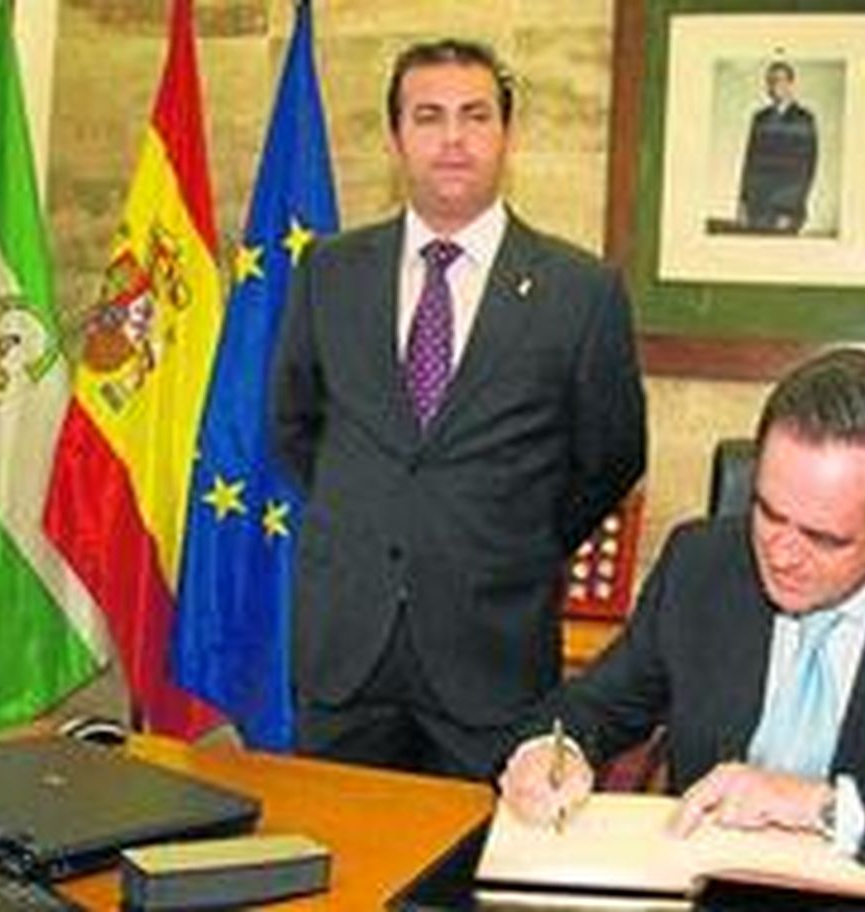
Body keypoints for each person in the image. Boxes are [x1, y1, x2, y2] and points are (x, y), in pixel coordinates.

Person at [499, 349, 865, 879]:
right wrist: (552, 752)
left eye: (823, 538)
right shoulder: (701, 563)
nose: (781, 554)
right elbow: (594, 706)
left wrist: (821, 806)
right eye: (768, 512)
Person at [270, 39, 646, 779]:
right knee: (339, 847)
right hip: (346, 651)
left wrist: (513, 535)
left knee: (476, 851)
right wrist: (376, 513)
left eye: (475, 116)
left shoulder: (581, 290)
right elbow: (295, 425)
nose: (452, 138)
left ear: (507, 135)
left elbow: (611, 456)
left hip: (492, 653)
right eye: (428, 116)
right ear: (395, 137)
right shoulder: (329, 270)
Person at [738, 60, 818, 234]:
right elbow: (750, 163)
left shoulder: (804, 119)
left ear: (790, 84)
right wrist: (743, 203)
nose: (775, 86)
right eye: (771, 81)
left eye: (780, 80)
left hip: (786, 212)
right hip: (757, 209)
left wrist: (789, 211)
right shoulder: (759, 118)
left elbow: (805, 168)